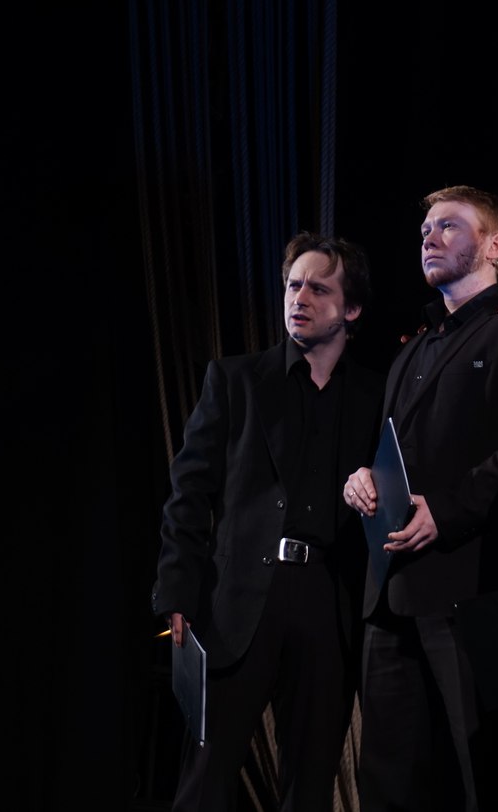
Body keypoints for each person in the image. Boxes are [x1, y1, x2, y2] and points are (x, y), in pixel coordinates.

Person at [152, 232, 384, 812]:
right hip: (238, 598)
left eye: (319, 289)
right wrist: (177, 592)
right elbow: (188, 494)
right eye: (293, 285)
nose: (299, 298)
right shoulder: (235, 380)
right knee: (204, 777)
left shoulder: (376, 395)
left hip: (328, 599)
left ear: (352, 309)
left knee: (310, 782)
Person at [342, 185, 498, 812]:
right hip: (391, 593)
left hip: (471, 588)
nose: (429, 238)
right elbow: (396, 452)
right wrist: (364, 479)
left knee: (480, 775)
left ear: (495, 246)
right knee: (388, 780)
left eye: (449, 227)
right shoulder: (413, 348)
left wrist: (448, 509)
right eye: (425, 230)